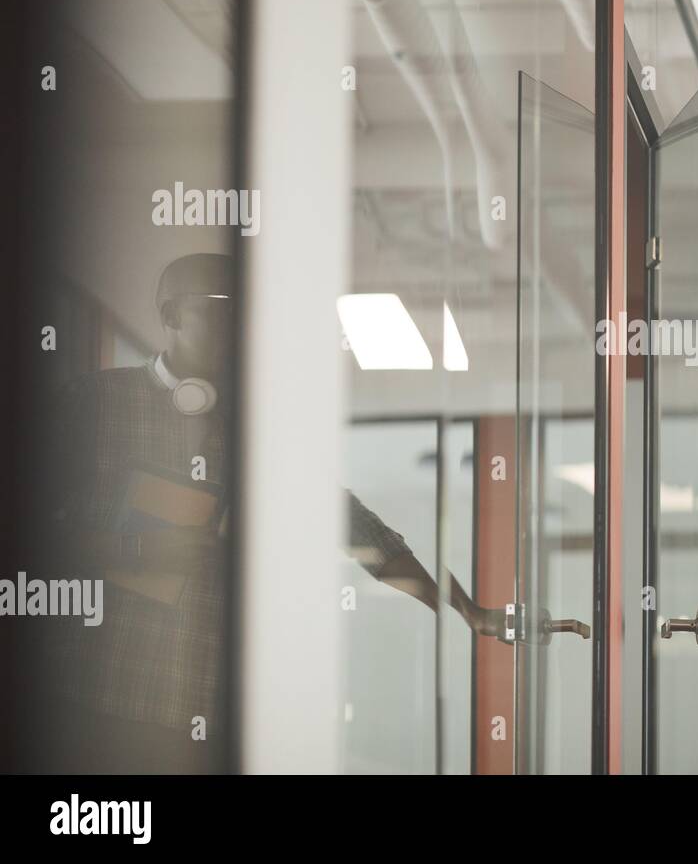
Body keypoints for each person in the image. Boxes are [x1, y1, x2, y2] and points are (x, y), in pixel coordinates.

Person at [37, 253, 499, 771]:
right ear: (171, 316)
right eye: (221, 309)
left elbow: (357, 528)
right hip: (103, 704)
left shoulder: (263, 426)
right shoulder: (93, 402)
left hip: (210, 712)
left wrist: (462, 608)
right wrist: (140, 549)